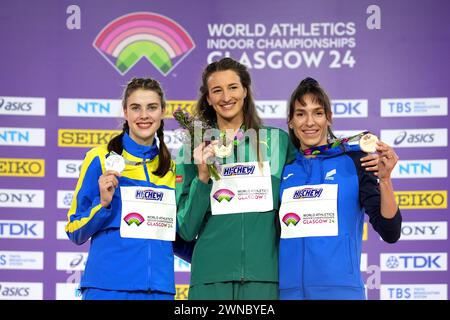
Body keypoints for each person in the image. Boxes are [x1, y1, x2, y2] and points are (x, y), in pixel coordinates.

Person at [175, 58, 379, 300]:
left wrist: (360, 161)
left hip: (266, 280)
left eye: (233, 87)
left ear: (245, 91)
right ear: (208, 98)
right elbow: (185, 230)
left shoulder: (278, 142)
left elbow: (313, 170)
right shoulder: (194, 148)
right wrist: (202, 178)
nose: (226, 97)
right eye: (216, 90)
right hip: (209, 280)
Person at [65, 77, 192, 300]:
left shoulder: (172, 168)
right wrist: (103, 205)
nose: (144, 115)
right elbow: (75, 229)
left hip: (158, 291)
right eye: (136, 108)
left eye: (151, 107)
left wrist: (218, 256)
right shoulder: (99, 158)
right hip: (107, 288)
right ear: (125, 112)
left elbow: (176, 237)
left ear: (162, 112)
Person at [278, 77, 402, 300]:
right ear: (290, 122)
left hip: (341, 293)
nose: (309, 122)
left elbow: (390, 231)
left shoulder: (355, 161)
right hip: (287, 294)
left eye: (317, 112)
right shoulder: (281, 168)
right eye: (300, 113)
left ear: (329, 118)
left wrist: (385, 181)